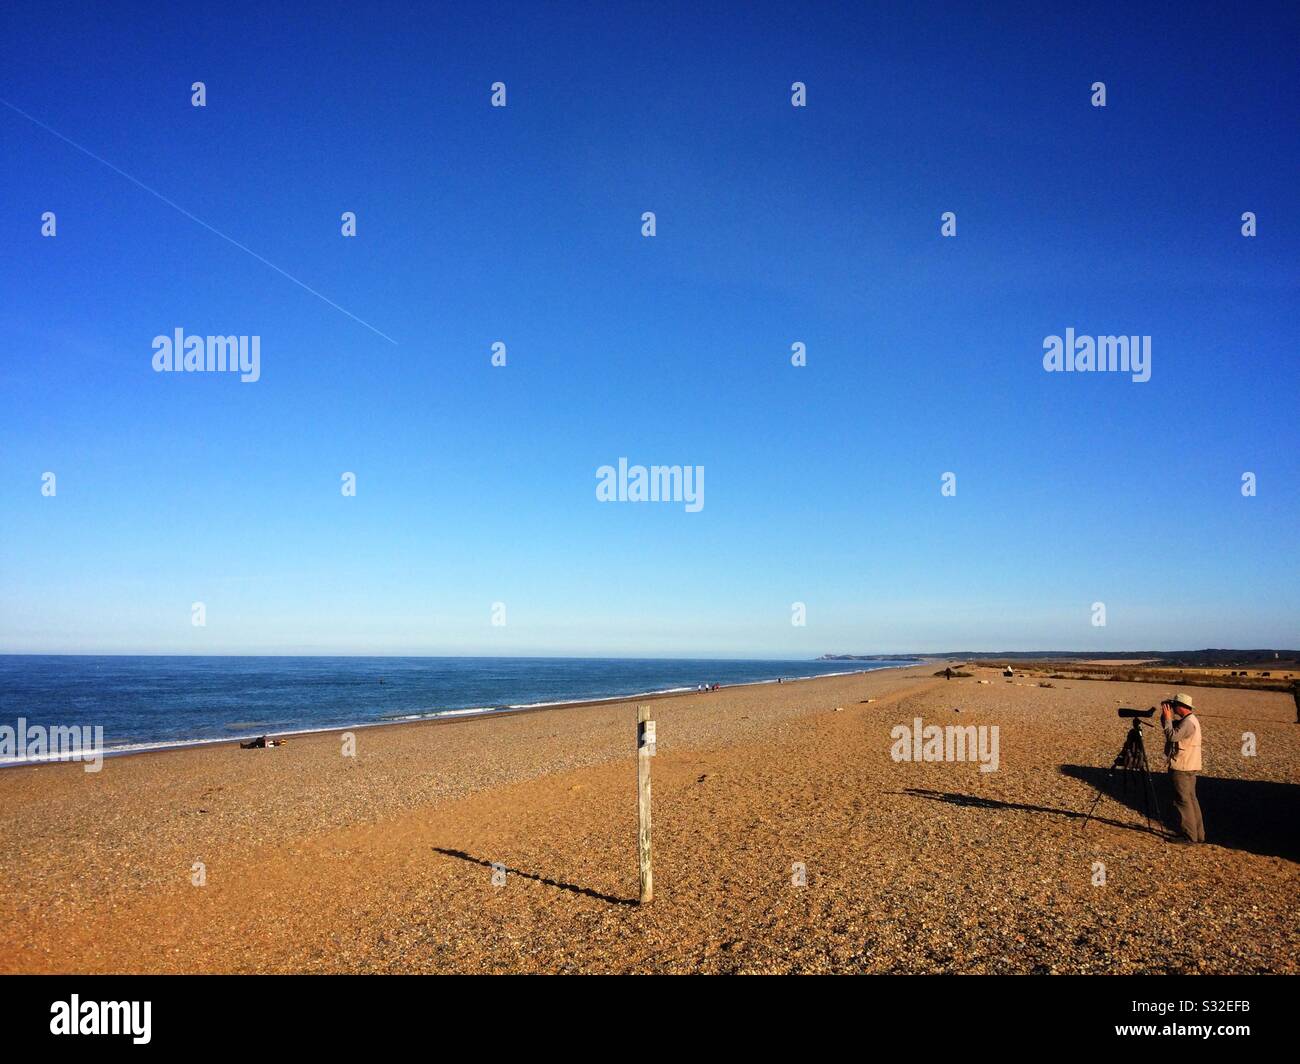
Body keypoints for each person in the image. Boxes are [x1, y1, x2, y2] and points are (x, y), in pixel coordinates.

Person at [1160, 692, 1205, 844]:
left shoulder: (1187, 723)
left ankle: (1189, 837)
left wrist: (1167, 718)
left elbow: (1172, 736)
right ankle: (1198, 835)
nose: (1172, 708)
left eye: (1174, 706)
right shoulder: (1191, 720)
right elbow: (1172, 730)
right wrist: (1165, 717)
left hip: (1182, 766)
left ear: (1181, 707)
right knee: (1191, 800)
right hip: (1190, 765)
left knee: (1183, 801)